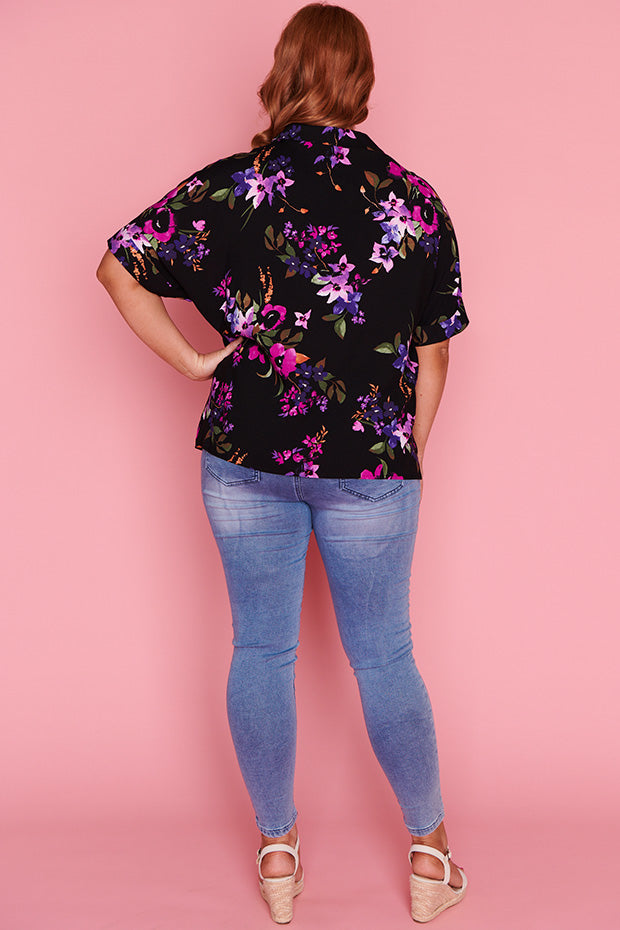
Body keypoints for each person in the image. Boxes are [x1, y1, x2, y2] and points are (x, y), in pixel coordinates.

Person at [96, 3, 469, 923]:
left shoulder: (233, 186)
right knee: (384, 656)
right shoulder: (415, 201)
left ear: (284, 74)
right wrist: (404, 452)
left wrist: (193, 362)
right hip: (371, 467)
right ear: (362, 81)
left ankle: (276, 855)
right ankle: (430, 857)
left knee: (260, 649)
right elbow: (433, 356)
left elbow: (118, 267)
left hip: (242, 456)